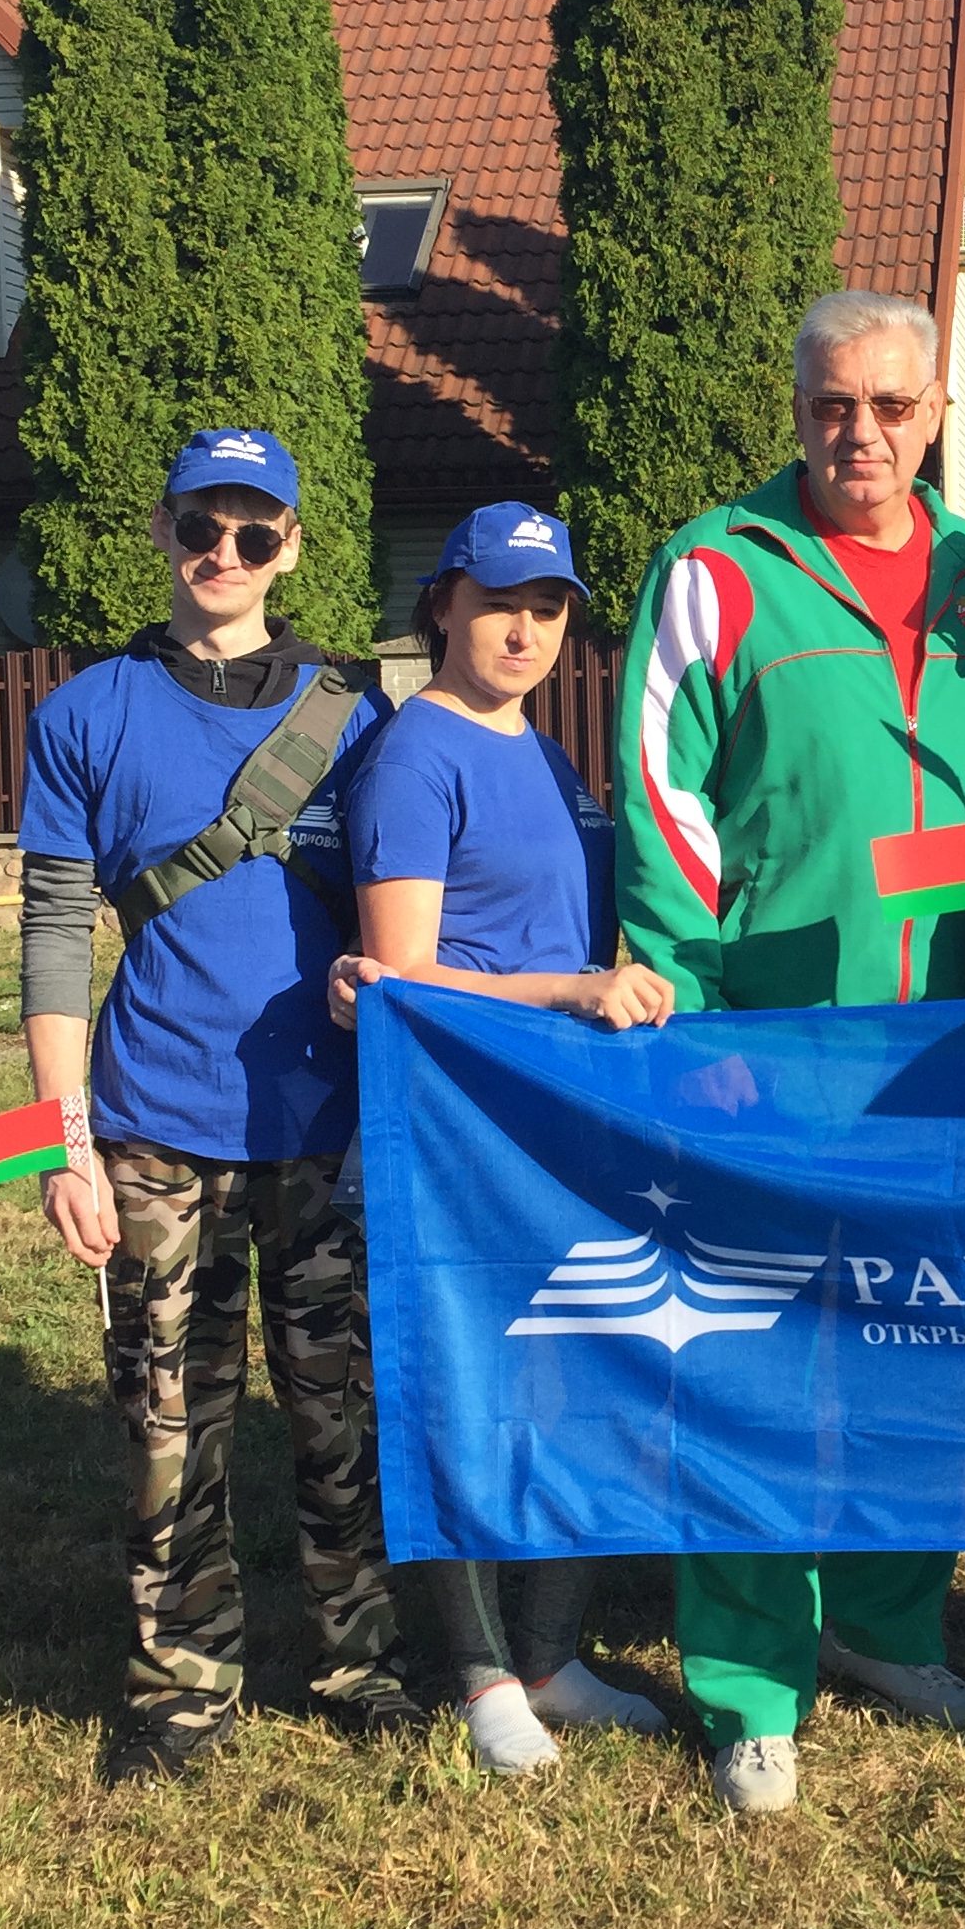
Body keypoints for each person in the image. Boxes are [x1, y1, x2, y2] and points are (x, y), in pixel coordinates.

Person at [615, 289, 965, 1816]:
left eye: (889, 406)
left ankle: (883, 1622)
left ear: (936, 414)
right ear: (798, 410)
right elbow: (663, 799)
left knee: (918, 1351)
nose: (859, 433)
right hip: (770, 1046)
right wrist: (697, 1011)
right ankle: (750, 1685)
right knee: (754, 1364)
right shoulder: (717, 568)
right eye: (831, 406)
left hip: (954, 1050)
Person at [19, 428, 416, 1787]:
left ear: (291, 546)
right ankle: (181, 1687)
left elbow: (419, 914)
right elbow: (53, 934)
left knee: (339, 1410)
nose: (225, 554)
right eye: (203, 525)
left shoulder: (360, 720)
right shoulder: (87, 714)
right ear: (164, 529)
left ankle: (361, 1662)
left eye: (255, 532)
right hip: (151, 1126)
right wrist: (63, 1143)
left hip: (330, 1127)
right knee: (168, 1422)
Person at [329, 503, 676, 1774]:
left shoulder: (542, 748)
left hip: (546, 1119)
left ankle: (551, 1657)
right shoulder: (417, 755)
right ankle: (483, 1678)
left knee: (570, 1383)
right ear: (443, 607)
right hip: (452, 1126)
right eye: (497, 604)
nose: (523, 629)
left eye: (547, 607)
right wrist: (575, 991)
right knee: (469, 1398)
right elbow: (402, 973)